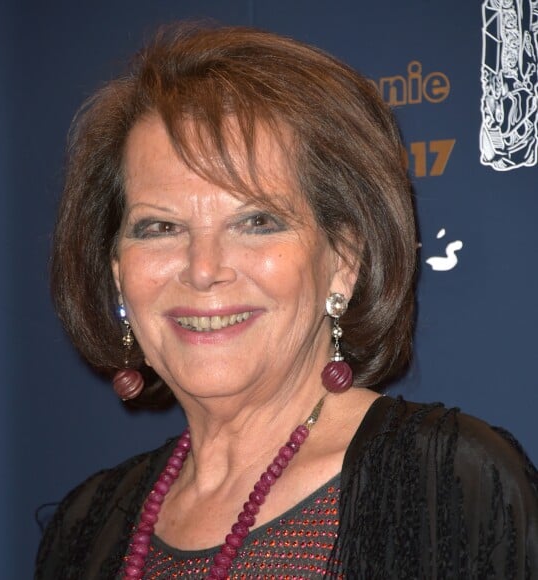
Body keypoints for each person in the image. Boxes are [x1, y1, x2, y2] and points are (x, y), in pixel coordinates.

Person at [36, 24, 538, 579]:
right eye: (159, 227)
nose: (203, 269)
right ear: (117, 271)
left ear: (342, 261)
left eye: (257, 222)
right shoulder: (88, 527)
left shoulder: (449, 486)